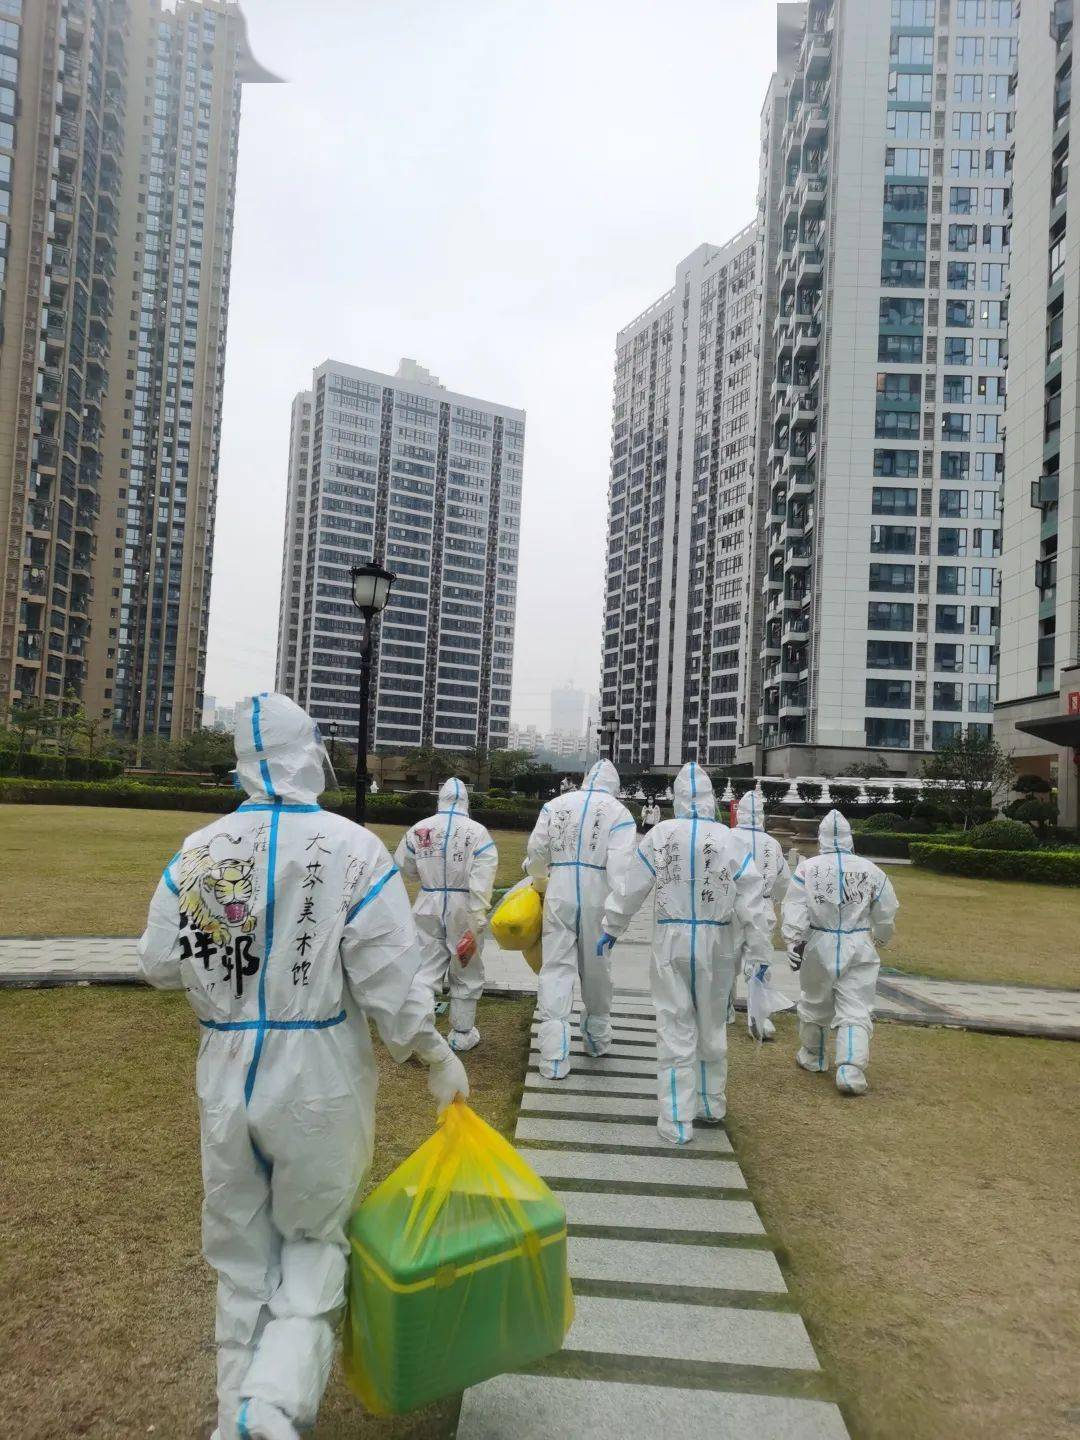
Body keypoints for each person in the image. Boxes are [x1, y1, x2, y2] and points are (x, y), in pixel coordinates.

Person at [137, 694, 468, 1440]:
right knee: (316, 1240)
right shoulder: (349, 848)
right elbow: (389, 977)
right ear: (308, 752)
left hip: (226, 1068)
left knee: (239, 1255)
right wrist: (435, 1052)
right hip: (318, 1069)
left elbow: (158, 962)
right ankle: (271, 1406)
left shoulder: (205, 849)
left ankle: (238, 1418)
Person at [597, 762, 773, 1145]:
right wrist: (759, 953)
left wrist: (612, 927)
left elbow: (632, 887)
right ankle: (710, 1103)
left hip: (671, 941)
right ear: (712, 799)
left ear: (676, 799)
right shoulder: (730, 840)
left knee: (674, 1025)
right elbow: (753, 901)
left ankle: (676, 1118)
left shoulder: (662, 834)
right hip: (718, 942)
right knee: (711, 1024)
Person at [526, 759, 637, 1077]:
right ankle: (596, 1038)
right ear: (614, 787)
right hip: (597, 896)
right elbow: (622, 872)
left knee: (555, 968)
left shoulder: (555, 805)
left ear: (586, 779)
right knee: (597, 969)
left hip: (559, 890)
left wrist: (540, 883)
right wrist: (617, 919)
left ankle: (554, 1056)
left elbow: (536, 852)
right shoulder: (619, 813)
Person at [781, 809, 900, 1096]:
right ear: (850, 838)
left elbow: (795, 906)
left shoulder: (808, 869)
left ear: (821, 838)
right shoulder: (871, 870)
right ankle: (850, 1068)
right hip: (857, 942)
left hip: (817, 942)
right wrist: (881, 938)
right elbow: (886, 912)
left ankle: (813, 1055)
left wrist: (793, 939)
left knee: (814, 1001)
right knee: (856, 1007)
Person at [393, 778, 498, 1053]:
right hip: (464, 908)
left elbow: (404, 864)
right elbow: (483, 875)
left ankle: (417, 1031)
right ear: (466, 800)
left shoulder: (420, 829)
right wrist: (478, 909)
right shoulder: (477, 832)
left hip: (427, 903)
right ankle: (462, 1033)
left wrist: (428, 877)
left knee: (424, 967)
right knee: (466, 965)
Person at [728, 789, 792, 1041]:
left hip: (732, 907)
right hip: (763, 907)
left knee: (726, 960)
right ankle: (759, 1018)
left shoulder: (728, 837)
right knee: (760, 962)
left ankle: (725, 1011)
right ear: (762, 815)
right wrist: (773, 899)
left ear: (739, 813)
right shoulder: (772, 844)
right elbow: (784, 881)